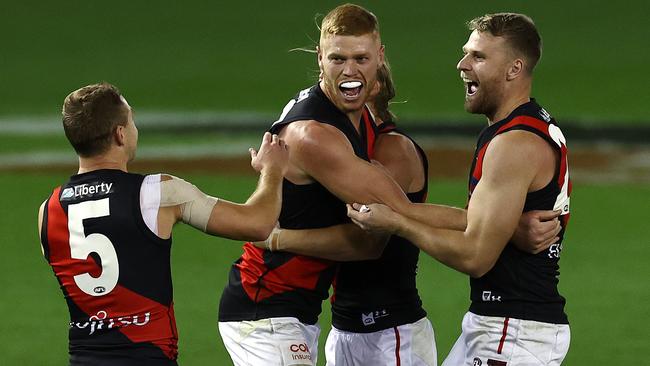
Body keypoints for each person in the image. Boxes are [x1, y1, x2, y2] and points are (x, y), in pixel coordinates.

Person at [348, 13, 572, 366]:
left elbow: (475, 256)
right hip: (500, 325)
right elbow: (474, 220)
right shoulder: (528, 124)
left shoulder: (513, 144)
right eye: (467, 53)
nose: (462, 64)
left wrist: (398, 225)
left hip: (513, 331)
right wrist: (396, 208)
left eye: (478, 57)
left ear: (514, 69)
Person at [37, 82, 289, 365]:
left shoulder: (49, 210)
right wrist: (273, 169)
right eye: (131, 120)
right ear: (120, 134)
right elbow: (257, 224)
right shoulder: (158, 193)